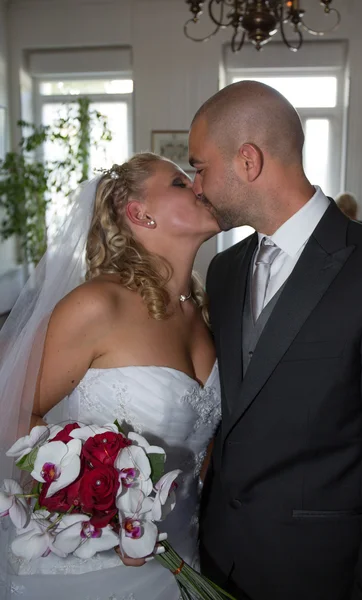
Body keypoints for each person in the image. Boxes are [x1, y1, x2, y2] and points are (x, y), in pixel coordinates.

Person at [188, 81, 362, 600]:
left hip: (321, 571)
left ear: (248, 161)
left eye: (199, 167)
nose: (195, 186)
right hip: (216, 558)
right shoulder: (223, 270)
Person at [0, 153, 221, 600]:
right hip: (95, 566)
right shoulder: (98, 305)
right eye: (180, 184)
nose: (198, 187)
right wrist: (88, 487)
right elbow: (13, 409)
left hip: (182, 556)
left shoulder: (202, 313)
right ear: (140, 214)